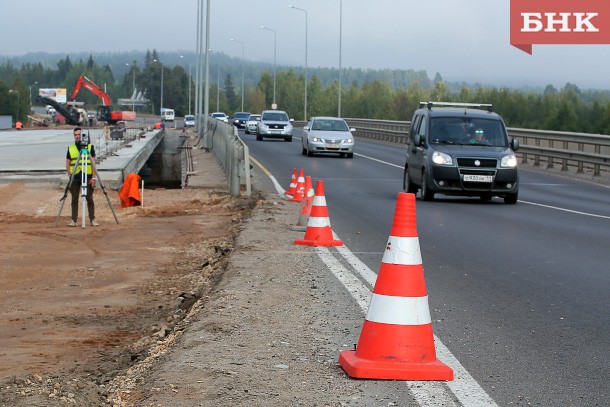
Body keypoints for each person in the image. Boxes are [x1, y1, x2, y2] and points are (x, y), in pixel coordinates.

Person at [65, 127, 99, 227]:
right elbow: (68, 162)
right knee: (74, 199)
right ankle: (74, 220)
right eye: (75, 135)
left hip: (87, 175)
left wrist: (93, 178)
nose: (77, 137)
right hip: (75, 176)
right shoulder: (70, 148)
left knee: (89, 198)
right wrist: (69, 175)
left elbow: (93, 163)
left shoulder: (89, 147)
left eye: (79, 134)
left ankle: (92, 219)